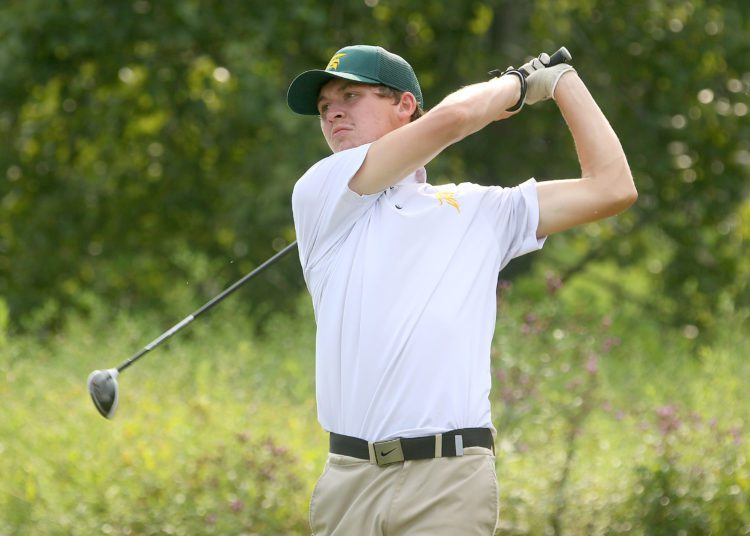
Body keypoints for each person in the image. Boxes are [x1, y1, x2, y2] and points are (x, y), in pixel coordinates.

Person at [286, 44, 636, 535]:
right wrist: (516, 86)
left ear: (405, 104)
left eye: (350, 95)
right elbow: (452, 121)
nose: (333, 112)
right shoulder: (321, 189)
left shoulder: (480, 210)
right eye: (324, 107)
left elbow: (612, 188)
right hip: (350, 480)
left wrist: (562, 82)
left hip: (449, 479)